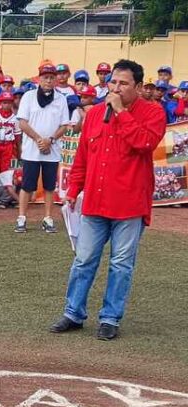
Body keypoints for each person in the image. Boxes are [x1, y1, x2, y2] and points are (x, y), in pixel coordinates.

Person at [50, 59, 167, 341]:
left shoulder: (153, 113)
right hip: (95, 202)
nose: (115, 88)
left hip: (130, 205)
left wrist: (121, 112)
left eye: (123, 83)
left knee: (121, 263)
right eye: (113, 82)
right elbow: (83, 157)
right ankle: (73, 313)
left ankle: (110, 317)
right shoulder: (94, 114)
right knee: (83, 259)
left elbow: (144, 143)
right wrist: (72, 190)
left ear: (138, 87)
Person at [14, 63, 69, 234]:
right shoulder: (29, 96)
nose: (49, 80)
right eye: (46, 77)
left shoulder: (60, 99)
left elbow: (64, 125)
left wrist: (50, 140)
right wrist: (39, 140)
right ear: (39, 78)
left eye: (52, 77)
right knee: (27, 185)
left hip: (51, 151)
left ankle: (47, 218)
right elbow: (22, 122)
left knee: (49, 186)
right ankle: (22, 218)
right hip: (32, 149)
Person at [0, 91, 21, 178]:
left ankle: (4, 190)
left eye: (9, 102)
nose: (7, 105)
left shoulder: (15, 119)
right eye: (4, 102)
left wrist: (19, 152)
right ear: (0, 103)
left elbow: (17, 137)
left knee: (5, 171)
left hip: (8, 145)